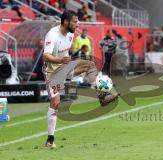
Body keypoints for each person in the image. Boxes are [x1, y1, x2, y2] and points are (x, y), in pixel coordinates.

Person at [43, 10, 119, 148]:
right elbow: (46, 56)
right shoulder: (52, 35)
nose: (77, 25)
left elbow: (65, 52)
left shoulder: (70, 34)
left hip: (65, 67)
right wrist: (61, 60)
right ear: (66, 22)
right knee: (55, 104)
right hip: (52, 73)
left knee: (89, 65)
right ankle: (50, 140)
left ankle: (103, 96)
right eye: (75, 21)